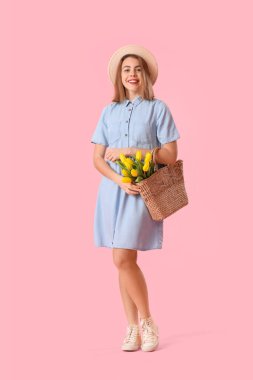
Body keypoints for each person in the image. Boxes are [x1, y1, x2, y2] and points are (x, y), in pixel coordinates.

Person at [91, 44, 180, 352]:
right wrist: (117, 179)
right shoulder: (109, 110)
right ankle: (132, 329)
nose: (132, 74)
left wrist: (133, 152)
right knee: (123, 261)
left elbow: (170, 155)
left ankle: (147, 321)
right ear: (119, 75)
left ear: (146, 75)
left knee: (122, 258)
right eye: (126, 69)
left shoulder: (158, 108)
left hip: (142, 191)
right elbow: (97, 158)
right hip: (112, 192)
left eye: (137, 69)